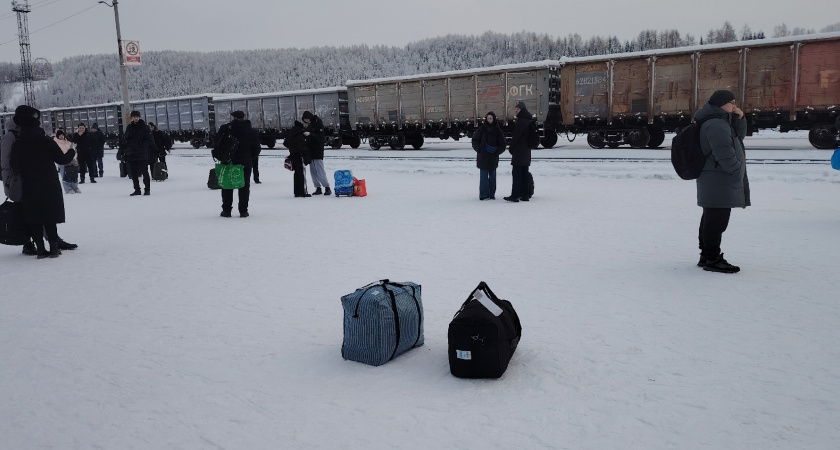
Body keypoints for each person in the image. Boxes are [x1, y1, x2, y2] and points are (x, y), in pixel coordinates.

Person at [1, 106, 79, 255]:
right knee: (49, 216)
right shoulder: (44, 140)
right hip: (48, 183)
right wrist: (71, 150)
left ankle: (41, 250)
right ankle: (54, 247)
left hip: (28, 185)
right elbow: (62, 159)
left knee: (33, 217)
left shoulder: (18, 143)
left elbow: (11, 164)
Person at [694, 89, 750, 274]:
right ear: (720, 105)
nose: (734, 105)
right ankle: (712, 259)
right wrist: (735, 170)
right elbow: (724, 151)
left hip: (715, 178)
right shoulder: (717, 125)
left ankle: (706, 256)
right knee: (716, 221)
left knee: (711, 218)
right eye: (731, 102)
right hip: (719, 178)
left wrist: (740, 118)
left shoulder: (720, 121)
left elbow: (737, 138)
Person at [217, 111, 260, 217]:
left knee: (227, 185)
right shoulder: (251, 131)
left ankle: (226, 210)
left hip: (228, 161)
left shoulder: (225, 128)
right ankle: (243, 211)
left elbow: (217, 143)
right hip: (245, 162)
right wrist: (250, 158)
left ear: (233, 117)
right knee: (244, 186)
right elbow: (257, 148)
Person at [471, 111, 506, 200]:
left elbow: (502, 144)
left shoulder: (497, 131)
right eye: (488, 118)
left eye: (491, 118)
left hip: (493, 157)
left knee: (492, 177)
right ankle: (483, 195)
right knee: (483, 177)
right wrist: (479, 149)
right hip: (483, 157)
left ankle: (491, 194)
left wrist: (497, 152)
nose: (489, 120)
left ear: (493, 119)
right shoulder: (481, 129)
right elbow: (474, 140)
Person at [504, 101, 533, 202]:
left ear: (522, 110)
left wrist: (511, 148)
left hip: (519, 152)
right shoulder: (528, 120)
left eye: (518, 109)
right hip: (526, 152)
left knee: (516, 174)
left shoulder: (521, 121)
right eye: (515, 109)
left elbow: (516, 137)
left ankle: (515, 195)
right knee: (524, 173)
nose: (516, 110)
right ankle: (525, 195)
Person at [120, 110, 153, 196]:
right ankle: (137, 189)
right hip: (132, 154)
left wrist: (142, 146)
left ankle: (147, 189)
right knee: (133, 173)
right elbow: (125, 140)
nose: (136, 118)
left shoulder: (145, 127)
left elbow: (149, 140)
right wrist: (124, 149)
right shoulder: (129, 127)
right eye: (134, 117)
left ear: (139, 117)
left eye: (137, 116)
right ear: (131, 118)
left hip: (142, 154)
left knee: (145, 172)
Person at [302, 111, 330, 195]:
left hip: (317, 151)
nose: (307, 121)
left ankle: (327, 187)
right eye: (305, 120)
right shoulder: (311, 125)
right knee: (313, 171)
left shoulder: (318, 124)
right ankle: (317, 187)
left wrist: (310, 134)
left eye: (307, 119)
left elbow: (320, 138)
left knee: (320, 170)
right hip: (311, 151)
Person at [285, 118, 311, 197]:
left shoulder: (292, 133)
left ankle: (297, 192)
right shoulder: (299, 134)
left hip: (293, 155)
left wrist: (292, 149)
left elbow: (285, 143)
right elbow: (302, 147)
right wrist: (306, 157)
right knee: (301, 173)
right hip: (298, 156)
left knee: (296, 173)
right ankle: (302, 192)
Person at [54, 130, 81, 194]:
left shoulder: (68, 142)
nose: (61, 136)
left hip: (71, 160)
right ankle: (68, 189)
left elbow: (73, 150)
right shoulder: (56, 144)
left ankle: (75, 187)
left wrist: (74, 158)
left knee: (73, 174)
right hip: (63, 161)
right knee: (65, 175)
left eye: (62, 135)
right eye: (60, 135)